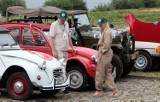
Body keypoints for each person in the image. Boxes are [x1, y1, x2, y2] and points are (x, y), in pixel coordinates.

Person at [49, 10, 75, 94]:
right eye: (61, 19)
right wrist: (53, 50)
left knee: (64, 68)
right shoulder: (54, 25)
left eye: (64, 19)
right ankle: (62, 88)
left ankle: (61, 86)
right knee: (61, 69)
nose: (63, 21)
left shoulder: (66, 24)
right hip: (58, 49)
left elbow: (68, 36)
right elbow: (51, 38)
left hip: (65, 49)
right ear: (59, 17)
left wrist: (72, 47)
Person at [92, 18, 118, 97]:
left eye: (101, 24)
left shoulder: (107, 32)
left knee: (100, 72)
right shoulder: (105, 30)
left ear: (105, 23)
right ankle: (114, 89)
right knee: (107, 73)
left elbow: (106, 45)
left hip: (104, 54)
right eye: (99, 25)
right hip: (106, 54)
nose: (100, 26)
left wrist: (100, 53)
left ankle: (99, 90)